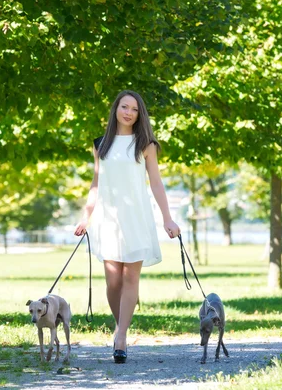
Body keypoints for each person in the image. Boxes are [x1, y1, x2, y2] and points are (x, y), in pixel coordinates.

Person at [74, 90, 181, 363]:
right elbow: (96, 185)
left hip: (137, 218)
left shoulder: (146, 144)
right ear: (116, 109)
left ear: (139, 114)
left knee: (131, 278)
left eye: (134, 109)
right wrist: (85, 217)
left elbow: (156, 183)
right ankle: (121, 325)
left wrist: (168, 218)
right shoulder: (101, 144)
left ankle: (120, 337)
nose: (129, 112)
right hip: (108, 219)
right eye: (124, 107)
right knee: (113, 282)